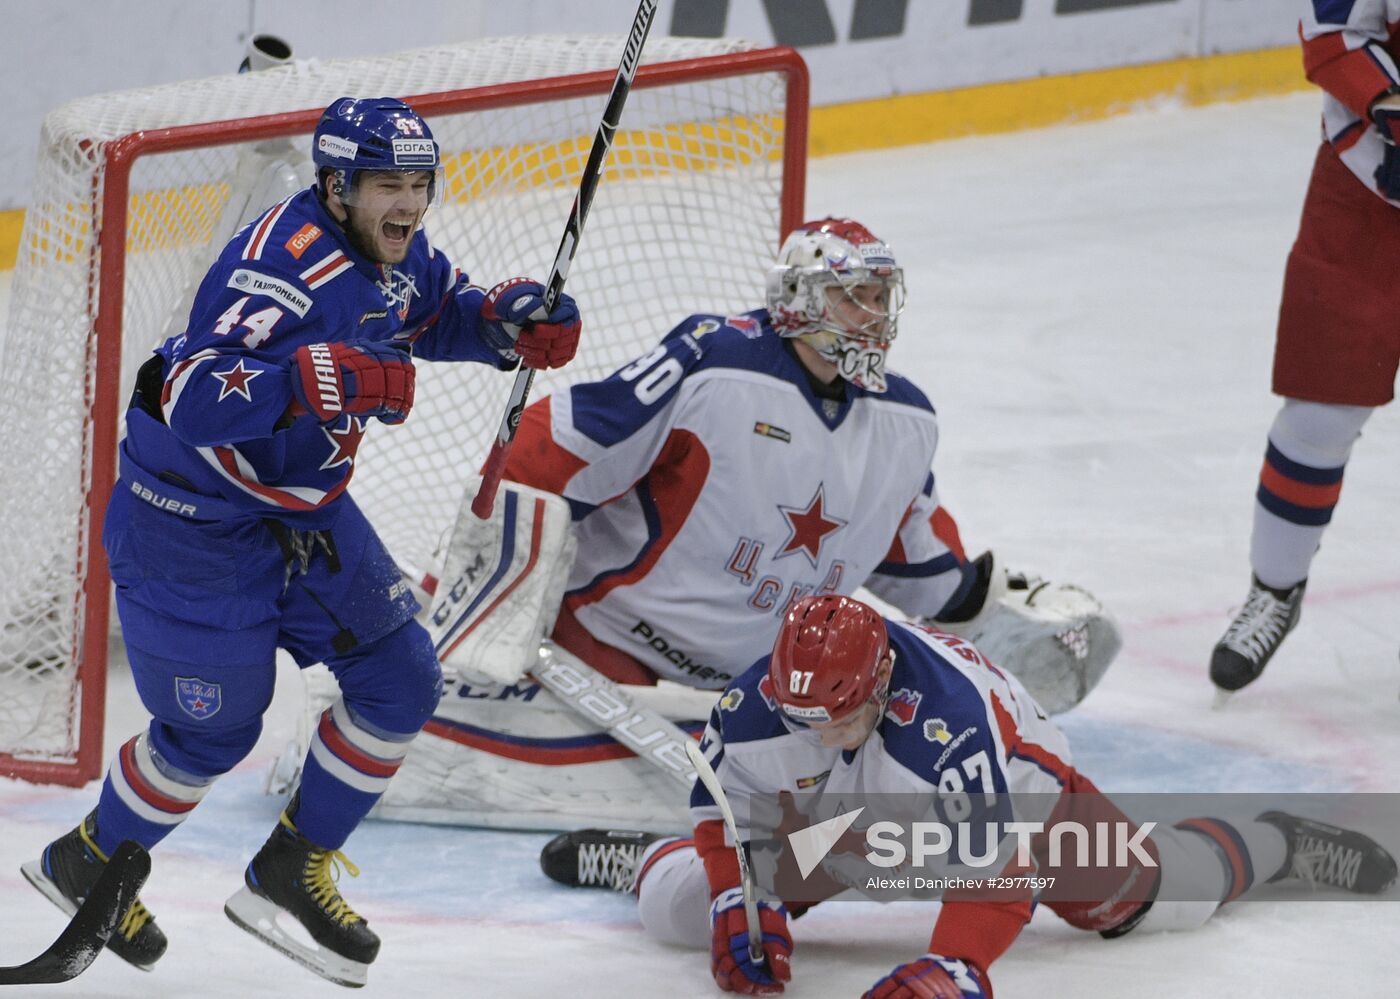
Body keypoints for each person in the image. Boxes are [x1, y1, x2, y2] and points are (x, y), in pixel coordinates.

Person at [19, 96, 581, 987]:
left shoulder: (390, 248)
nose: (408, 201)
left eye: (419, 183)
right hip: (190, 529)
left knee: (402, 677)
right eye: (387, 184)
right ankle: (88, 857)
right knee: (211, 736)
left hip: (300, 509)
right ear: (336, 183)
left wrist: (507, 322)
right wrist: (315, 376)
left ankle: (290, 866)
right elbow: (194, 397)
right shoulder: (274, 275)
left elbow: (434, 312)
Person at [541, 595, 1397, 997]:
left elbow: (997, 869)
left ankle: (1279, 841)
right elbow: (724, 801)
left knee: (1159, 895)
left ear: (879, 681)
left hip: (1026, 808)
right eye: (797, 712)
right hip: (856, 826)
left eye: (832, 714)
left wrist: (959, 965)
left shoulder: (951, 733)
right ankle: (643, 863)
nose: (810, 727)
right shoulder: (768, 700)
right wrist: (732, 885)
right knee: (686, 915)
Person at [501, 217, 1118, 710]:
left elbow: (908, 555)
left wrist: (979, 598)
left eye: (881, 297)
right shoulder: (717, 363)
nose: (875, 316)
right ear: (798, 299)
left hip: (766, 687)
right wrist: (485, 572)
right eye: (854, 298)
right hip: (608, 646)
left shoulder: (907, 421)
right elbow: (558, 446)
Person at [1210, 2, 1400, 694]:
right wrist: (1388, 108)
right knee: (1319, 415)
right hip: (1366, 191)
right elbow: (1334, 35)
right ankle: (1275, 589)